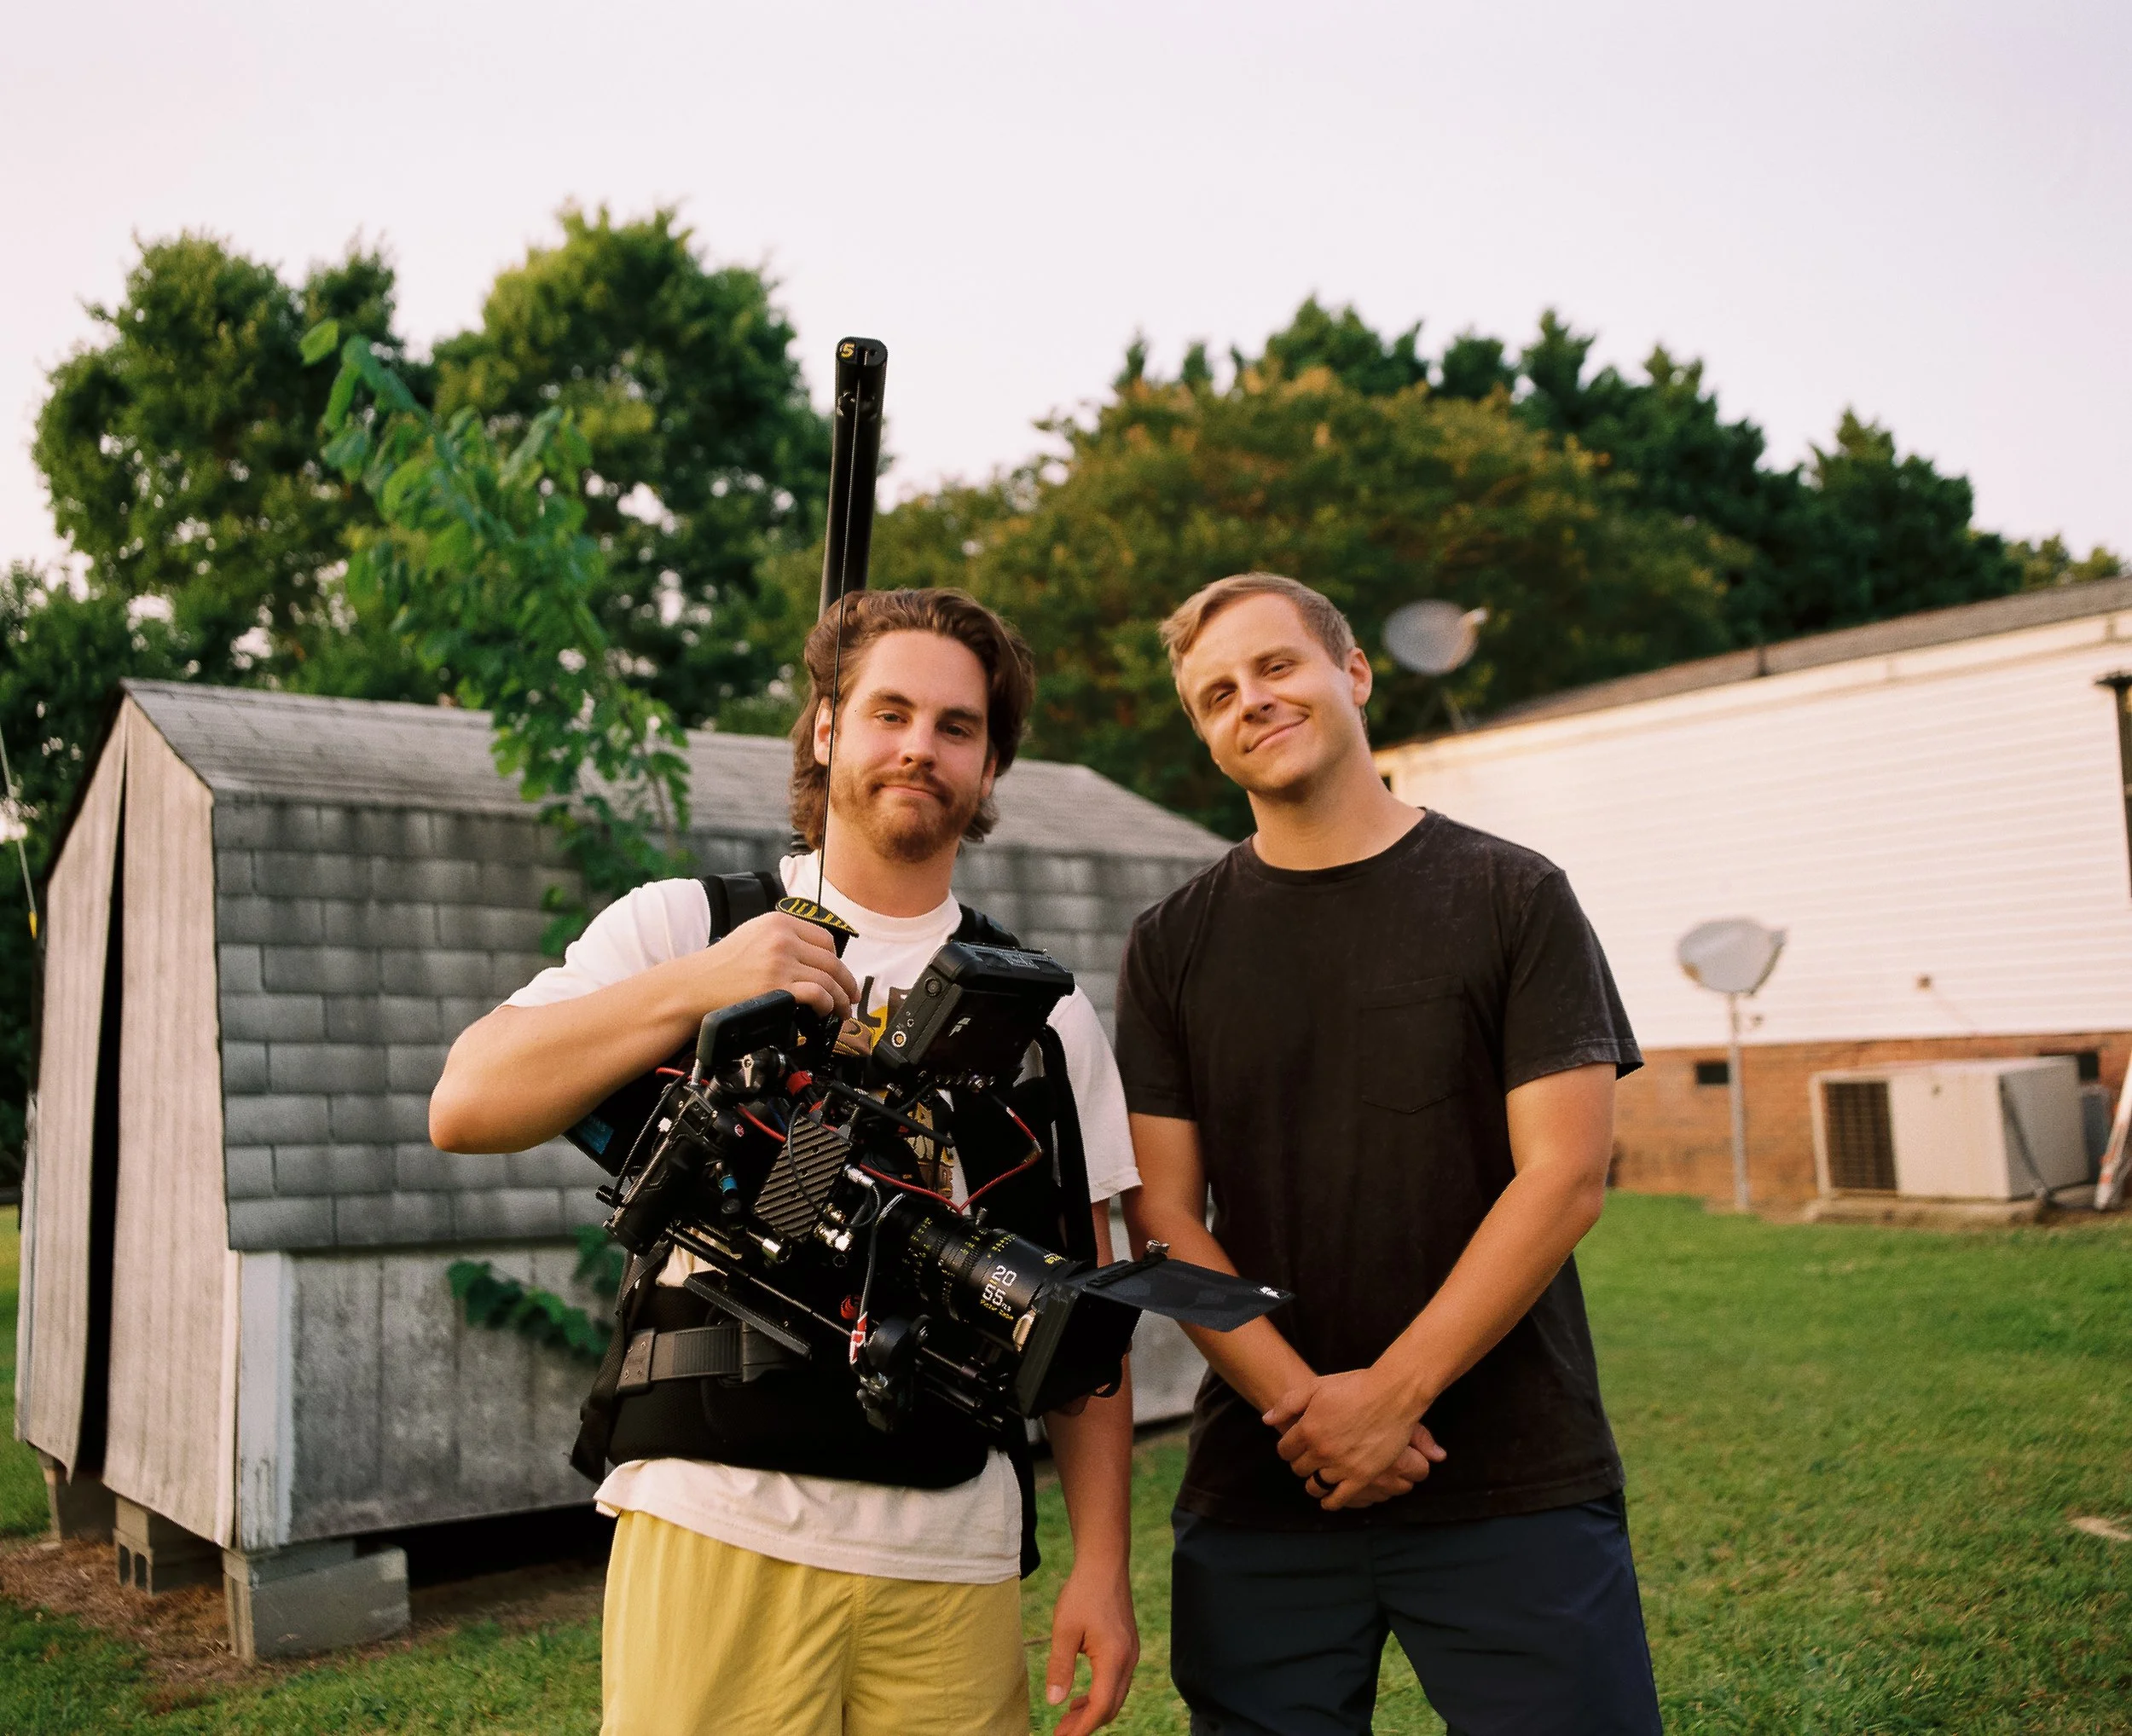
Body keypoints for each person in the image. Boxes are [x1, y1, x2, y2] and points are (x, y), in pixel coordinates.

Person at [431, 587, 1140, 1736]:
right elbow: (466, 1102)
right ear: (827, 728)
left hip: (950, 1546)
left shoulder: (1043, 1018)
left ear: (992, 766)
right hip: (718, 1518)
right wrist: (706, 985)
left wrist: (1102, 1568)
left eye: (958, 727)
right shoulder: (686, 924)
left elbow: (1082, 1319)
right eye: (890, 711)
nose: (920, 747)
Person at [1117, 572, 1662, 1735]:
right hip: (1268, 1493)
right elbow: (1161, 1212)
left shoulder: (1513, 895)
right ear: (1206, 735)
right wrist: (1308, 1409)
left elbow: (1564, 1177)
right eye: (1215, 695)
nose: (1249, 702)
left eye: (1275, 667)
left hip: (1512, 1477)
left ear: (1353, 673)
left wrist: (1393, 1394)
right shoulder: (1171, 945)